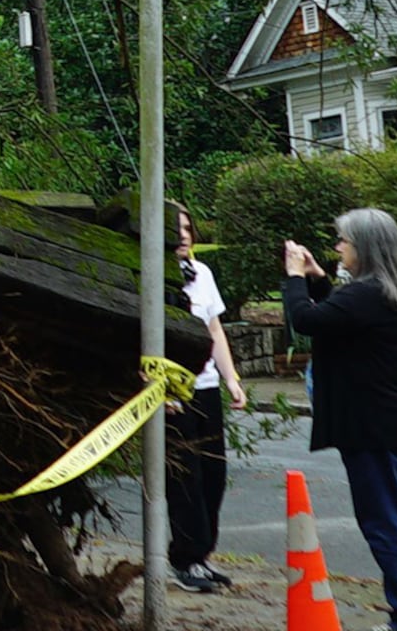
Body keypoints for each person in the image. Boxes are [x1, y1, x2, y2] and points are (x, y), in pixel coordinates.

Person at [286, 208, 397, 631]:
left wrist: (296, 277)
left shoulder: (367, 294)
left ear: (366, 248)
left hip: (373, 427)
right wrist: (319, 279)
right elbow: (338, 318)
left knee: (387, 527)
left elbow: (307, 321)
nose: (338, 247)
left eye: (344, 241)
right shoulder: (390, 291)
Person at [166, 203, 247, 595]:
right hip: (173, 392)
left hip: (207, 387)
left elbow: (215, 329)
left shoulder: (203, 274)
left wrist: (231, 378)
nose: (182, 234)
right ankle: (184, 558)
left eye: (187, 227)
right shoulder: (150, 273)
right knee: (185, 476)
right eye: (174, 228)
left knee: (214, 474)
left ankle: (201, 554)